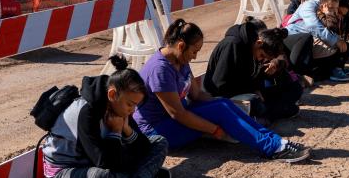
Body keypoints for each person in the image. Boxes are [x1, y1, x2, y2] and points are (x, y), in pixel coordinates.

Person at [133, 19, 311, 162]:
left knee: (223, 104)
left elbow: (197, 95)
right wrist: (214, 129)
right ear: (181, 46)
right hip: (156, 131)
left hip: (177, 118)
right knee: (220, 109)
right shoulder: (160, 69)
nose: (195, 56)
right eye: (194, 51)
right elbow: (178, 114)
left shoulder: (181, 61)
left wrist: (223, 106)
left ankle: (277, 142)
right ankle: (274, 148)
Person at [42, 55, 170, 178]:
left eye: (135, 105)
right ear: (112, 95)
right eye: (130, 104)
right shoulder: (86, 112)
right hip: (67, 172)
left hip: (105, 161)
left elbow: (144, 147)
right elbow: (104, 163)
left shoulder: (120, 105)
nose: (132, 110)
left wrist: (127, 130)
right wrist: (115, 132)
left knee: (159, 142)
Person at [203, 18, 303, 122]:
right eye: (262, 55)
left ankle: (269, 112)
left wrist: (273, 67)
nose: (262, 59)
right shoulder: (233, 45)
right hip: (224, 95)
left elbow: (252, 76)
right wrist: (253, 90)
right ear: (259, 43)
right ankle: (268, 113)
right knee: (256, 102)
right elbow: (219, 85)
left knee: (295, 88)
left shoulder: (253, 47)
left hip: (247, 90)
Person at [287, 0, 349, 82]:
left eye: (337, 9)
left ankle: (331, 69)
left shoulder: (330, 8)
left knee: (348, 47)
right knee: (335, 47)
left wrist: (338, 39)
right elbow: (315, 27)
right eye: (337, 11)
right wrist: (336, 40)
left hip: (312, 38)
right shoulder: (309, 6)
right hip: (298, 38)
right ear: (324, 5)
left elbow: (330, 29)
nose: (337, 14)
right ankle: (322, 72)